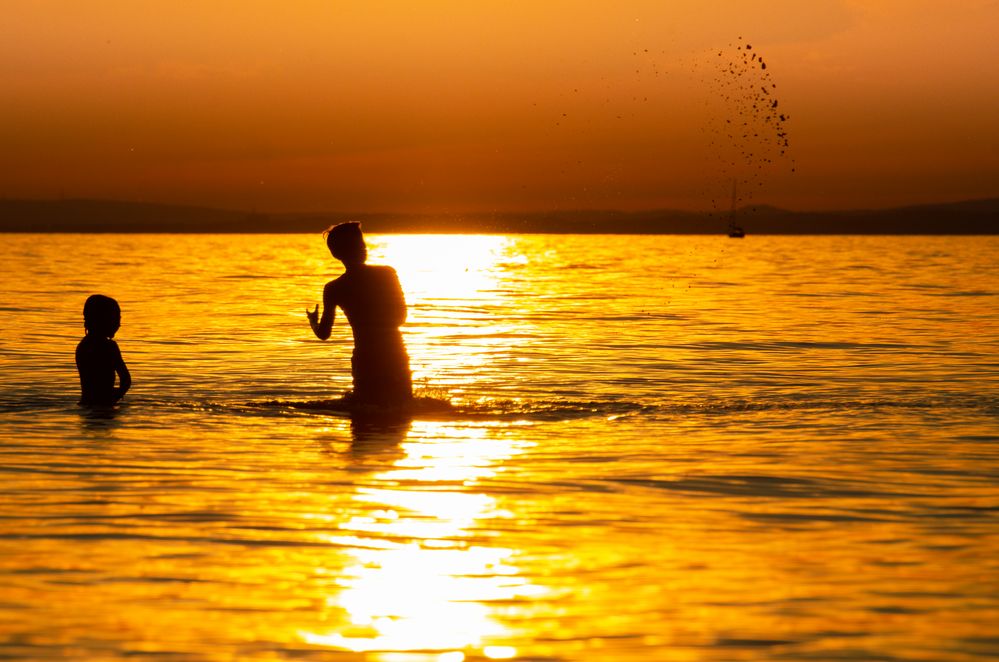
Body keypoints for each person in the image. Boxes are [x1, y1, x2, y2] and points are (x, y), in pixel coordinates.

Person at [307, 222, 412, 407]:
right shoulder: (387, 273)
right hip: (394, 352)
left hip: (367, 356)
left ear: (335, 254)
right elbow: (401, 317)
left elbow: (324, 334)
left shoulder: (334, 288)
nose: (364, 248)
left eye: (362, 244)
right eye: (360, 245)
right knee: (402, 408)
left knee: (366, 411)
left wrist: (313, 322)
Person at [76, 294, 131, 406]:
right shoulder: (109, 347)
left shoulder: (83, 346)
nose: (119, 324)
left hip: (85, 406)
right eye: (116, 319)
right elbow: (126, 380)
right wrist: (114, 397)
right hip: (105, 409)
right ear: (104, 320)